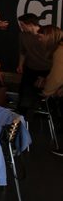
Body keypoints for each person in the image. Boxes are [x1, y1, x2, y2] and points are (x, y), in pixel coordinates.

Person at [17, 14, 50, 115]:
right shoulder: (22, 35)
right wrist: (20, 65)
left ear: (30, 24)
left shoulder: (46, 34)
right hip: (30, 68)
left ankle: (40, 114)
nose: (21, 27)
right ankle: (21, 115)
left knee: (42, 94)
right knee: (24, 92)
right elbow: (23, 52)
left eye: (22, 25)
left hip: (46, 69)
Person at [38, 25, 63, 157]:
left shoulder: (59, 50)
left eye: (41, 37)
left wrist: (47, 92)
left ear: (49, 37)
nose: (39, 40)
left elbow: (57, 77)